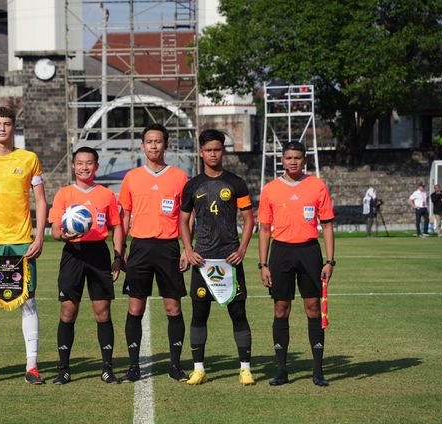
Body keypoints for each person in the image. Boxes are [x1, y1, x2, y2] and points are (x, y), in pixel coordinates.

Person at [0, 106, 48, 386]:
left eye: (7, 124)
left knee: (28, 302)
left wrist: (38, 237)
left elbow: (40, 200)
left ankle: (32, 366)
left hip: (22, 242)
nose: (2, 128)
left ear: (14, 128)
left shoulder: (29, 159)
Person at [179, 129, 255, 386]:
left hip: (229, 260)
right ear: (201, 152)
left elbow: (248, 219)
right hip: (203, 260)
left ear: (223, 151)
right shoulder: (192, 185)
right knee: (199, 314)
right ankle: (199, 368)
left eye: (218, 149)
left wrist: (242, 249)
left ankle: (245, 368)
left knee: (238, 312)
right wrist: (188, 250)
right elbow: (183, 220)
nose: (213, 154)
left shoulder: (236, 183)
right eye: (208, 149)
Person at [258, 141, 335, 387]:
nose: (293, 161)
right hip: (280, 253)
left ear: (305, 160)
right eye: (289, 157)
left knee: (313, 308)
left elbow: (327, 225)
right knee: (281, 308)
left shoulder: (317, 186)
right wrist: (263, 264)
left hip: (309, 252)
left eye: (297, 158)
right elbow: (264, 230)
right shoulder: (270, 189)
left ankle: (318, 370)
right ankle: (281, 370)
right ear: (282, 160)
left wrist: (330, 260)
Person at [119, 123, 190, 383]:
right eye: (149, 141)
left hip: (169, 247)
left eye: (158, 141)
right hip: (140, 247)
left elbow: (186, 216)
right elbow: (124, 215)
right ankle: (133, 366)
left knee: (173, 308)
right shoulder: (132, 177)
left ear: (166, 145)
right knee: (135, 307)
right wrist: (121, 249)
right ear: (142, 145)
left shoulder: (180, 177)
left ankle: (175, 365)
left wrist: (186, 247)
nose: (153, 146)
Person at [48, 147, 124, 385]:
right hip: (73, 253)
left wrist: (118, 256)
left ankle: (107, 369)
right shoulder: (64, 194)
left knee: (103, 313)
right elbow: (55, 231)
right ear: (73, 166)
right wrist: (64, 236)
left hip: (98, 254)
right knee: (68, 312)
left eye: (89, 163)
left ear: (96, 166)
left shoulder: (107, 195)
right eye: (79, 163)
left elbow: (117, 226)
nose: (84, 167)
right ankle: (64, 369)